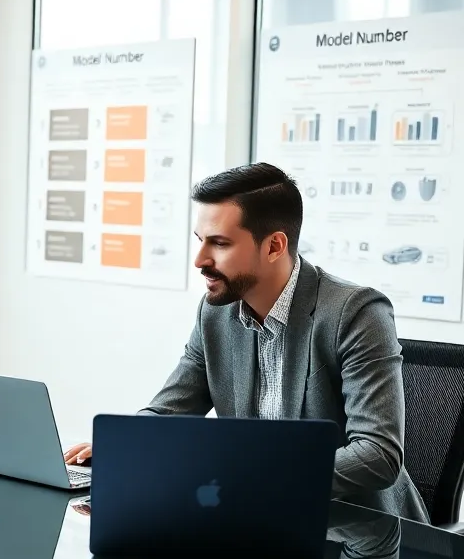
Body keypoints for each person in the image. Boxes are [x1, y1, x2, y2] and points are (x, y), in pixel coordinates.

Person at [64, 162, 429, 522]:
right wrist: (126, 445)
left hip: (353, 533)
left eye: (219, 244)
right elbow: (169, 411)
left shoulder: (356, 312)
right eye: (200, 241)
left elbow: (377, 455)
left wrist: (253, 478)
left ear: (273, 247)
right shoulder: (216, 313)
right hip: (256, 521)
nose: (200, 260)